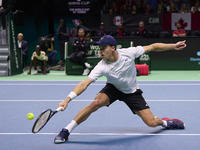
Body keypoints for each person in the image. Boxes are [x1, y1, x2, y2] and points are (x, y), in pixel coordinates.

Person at [54, 35, 186, 144]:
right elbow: (84, 84)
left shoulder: (129, 53)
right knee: (95, 103)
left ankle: (165, 122)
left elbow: (152, 47)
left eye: (103, 48)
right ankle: (66, 130)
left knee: (151, 123)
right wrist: (67, 99)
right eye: (99, 48)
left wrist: (173, 46)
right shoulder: (101, 66)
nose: (100, 51)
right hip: (113, 88)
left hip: (131, 92)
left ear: (112, 48)